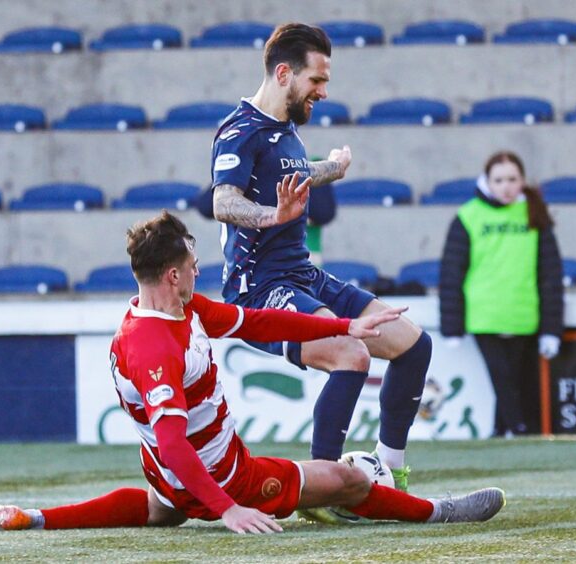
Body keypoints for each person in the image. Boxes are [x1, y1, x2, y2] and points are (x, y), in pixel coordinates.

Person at [0, 208, 506, 534]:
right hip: (226, 477)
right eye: (195, 267)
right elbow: (175, 438)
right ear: (173, 273)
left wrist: (345, 326)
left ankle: (34, 517)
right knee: (346, 477)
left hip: (168, 478)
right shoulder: (154, 344)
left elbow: (259, 318)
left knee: (163, 510)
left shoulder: (174, 310)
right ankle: (437, 511)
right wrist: (228, 508)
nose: (201, 273)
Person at [210, 22, 432, 497]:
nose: (324, 91)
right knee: (350, 353)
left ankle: (391, 474)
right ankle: (323, 488)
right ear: (285, 73)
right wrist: (273, 214)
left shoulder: (285, 128)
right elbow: (222, 201)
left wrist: (333, 168)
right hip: (261, 289)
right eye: (317, 80)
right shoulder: (239, 131)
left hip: (303, 276)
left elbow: (292, 172)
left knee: (414, 346)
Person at [438, 151, 564, 437]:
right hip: (483, 314)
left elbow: (550, 274)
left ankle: (499, 430)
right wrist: (452, 325)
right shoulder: (468, 216)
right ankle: (519, 429)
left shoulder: (535, 213)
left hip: (523, 314)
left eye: (512, 179)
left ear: (522, 180)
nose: (506, 186)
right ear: (487, 182)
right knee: (503, 378)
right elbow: (451, 272)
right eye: (499, 180)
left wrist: (551, 329)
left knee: (515, 379)